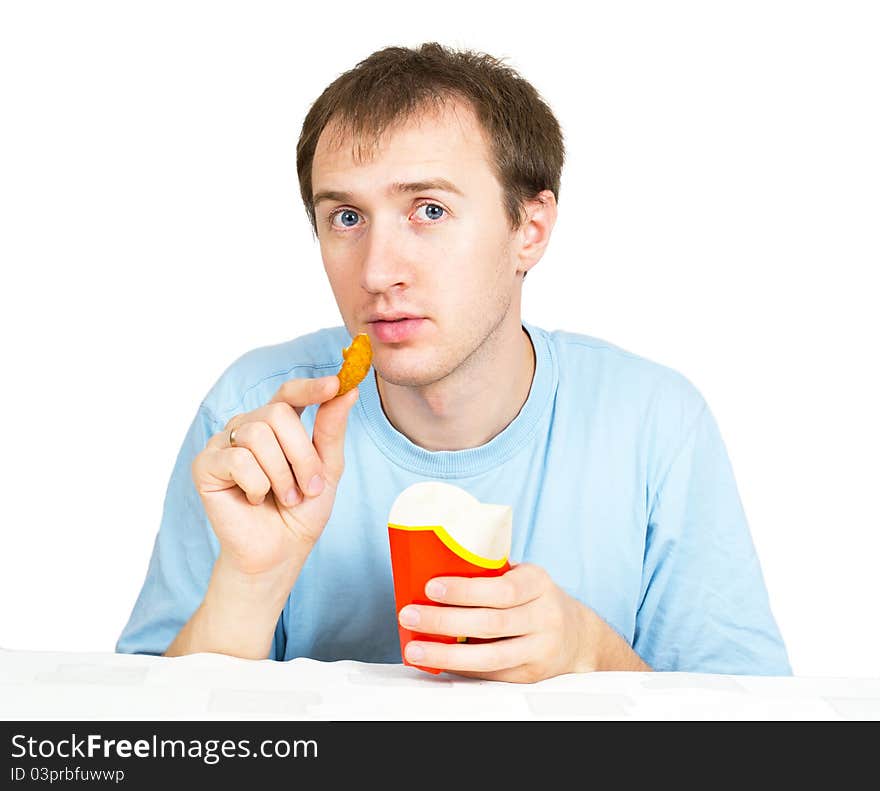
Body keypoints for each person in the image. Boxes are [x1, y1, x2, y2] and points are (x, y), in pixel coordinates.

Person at [116, 42, 791, 682]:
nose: (378, 272)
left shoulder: (656, 424)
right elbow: (143, 746)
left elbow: (766, 743)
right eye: (346, 218)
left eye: (429, 209)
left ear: (528, 230)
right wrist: (249, 586)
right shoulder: (254, 418)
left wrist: (590, 651)